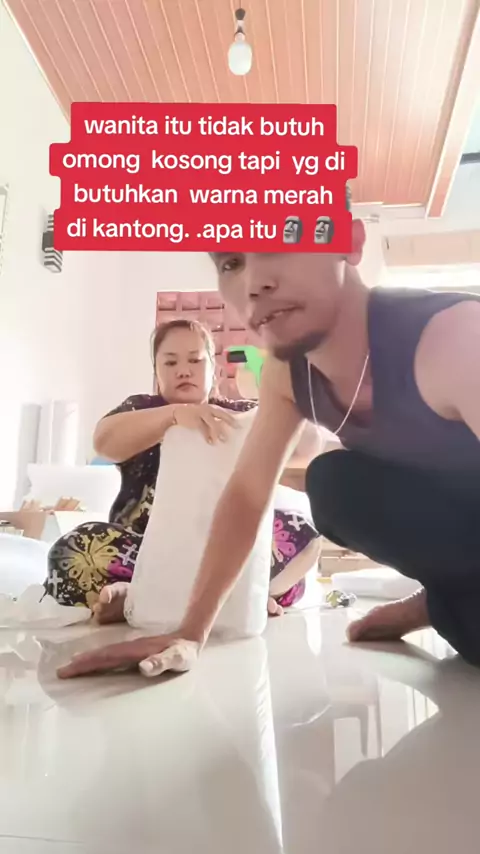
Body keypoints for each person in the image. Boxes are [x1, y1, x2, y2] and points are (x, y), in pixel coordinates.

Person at [59, 213, 480, 679]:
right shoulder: (286, 372)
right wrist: (190, 633)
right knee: (335, 486)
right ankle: (445, 598)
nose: (254, 282)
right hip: (453, 526)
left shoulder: (456, 340)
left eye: (282, 243)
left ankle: (442, 604)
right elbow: (246, 493)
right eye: (231, 262)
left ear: (349, 242)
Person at [46, 318, 321, 620]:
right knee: (70, 553)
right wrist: (176, 415)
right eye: (170, 362)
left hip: (226, 552)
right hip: (147, 553)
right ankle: (223, 599)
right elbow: (104, 441)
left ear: (214, 370)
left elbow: (308, 445)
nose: (183, 370)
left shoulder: (238, 413)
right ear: (157, 373)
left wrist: (274, 397)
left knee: (302, 535)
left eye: (195, 360)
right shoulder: (142, 409)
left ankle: (158, 598)